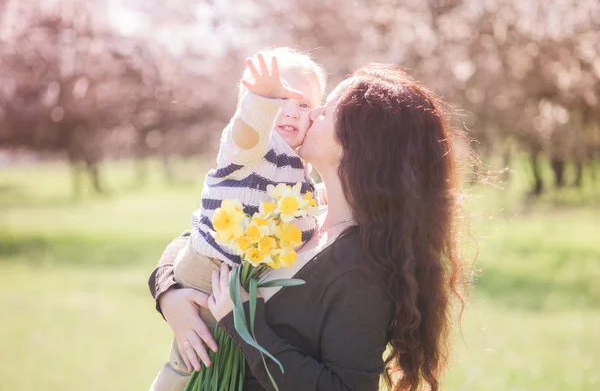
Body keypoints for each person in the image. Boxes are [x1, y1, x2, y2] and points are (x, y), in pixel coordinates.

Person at [149, 63, 466, 391]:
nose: (310, 115)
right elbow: (198, 236)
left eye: (325, 112)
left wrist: (245, 325)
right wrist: (169, 293)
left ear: (359, 144)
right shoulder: (306, 211)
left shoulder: (361, 272)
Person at [149, 48, 327, 390]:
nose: (290, 110)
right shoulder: (251, 146)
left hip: (238, 279)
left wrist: (322, 195)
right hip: (208, 268)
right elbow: (248, 131)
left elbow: (292, 203)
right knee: (191, 358)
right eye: (280, 99)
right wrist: (262, 102)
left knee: (215, 360)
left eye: (304, 105)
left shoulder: (297, 166)